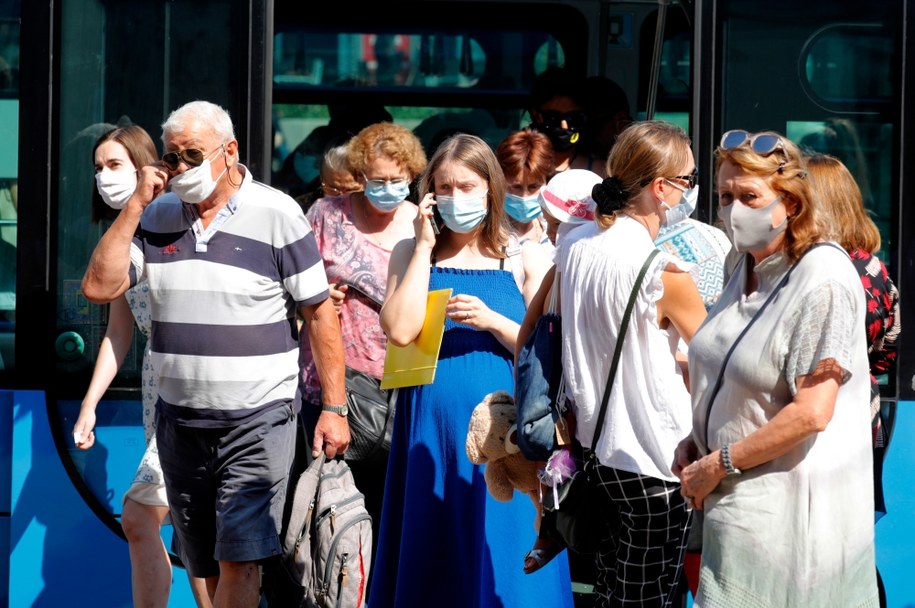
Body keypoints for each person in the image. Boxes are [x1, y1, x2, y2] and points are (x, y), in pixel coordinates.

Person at [80, 100, 348, 608]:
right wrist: (135, 206)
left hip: (258, 417)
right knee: (201, 565)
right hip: (179, 423)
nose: (179, 167)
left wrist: (334, 408)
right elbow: (99, 287)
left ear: (230, 152)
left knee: (240, 559)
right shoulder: (155, 217)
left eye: (192, 155)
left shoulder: (277, 212)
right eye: (172, 156)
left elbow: (319, 312)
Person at [673, 130, 879, 607]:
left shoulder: (822, 278)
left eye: (749, 196)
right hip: (729, 513)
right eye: (725, 196)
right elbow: (733, 373)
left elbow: (811, 412)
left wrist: (718, 462)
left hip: (785, 526)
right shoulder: (739, 262)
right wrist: (696, 438)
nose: (732, 210)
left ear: (790, 202)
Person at [370, 133, 566, 608]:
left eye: (467, 186)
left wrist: (494, 321)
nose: (456, 198)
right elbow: (399, 330)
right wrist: (421, 247)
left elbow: (547, 351)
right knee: (433, 553)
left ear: (490, 189)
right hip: (428, 431)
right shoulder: (410, 252)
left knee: (504, 552)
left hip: (503, 439)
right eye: (445, 187)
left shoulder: (523, 255)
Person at [556, 120, 706, 607]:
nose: (692, 189)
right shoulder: (663, 273)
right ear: (661, 189)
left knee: (607, 592)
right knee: (648, 599)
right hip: (655, 459)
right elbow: (716, 357)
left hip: (596, 453)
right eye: (688, 178)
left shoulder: (575, 247)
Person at [73, 124, 211, 608]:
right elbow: (120, 329)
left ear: (143, 168)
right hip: (159, 383)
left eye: (113, 165)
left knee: (141, 515)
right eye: (97, 168)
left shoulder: (169, 219)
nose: (103, 177)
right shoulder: (123, 234)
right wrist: (90, 404)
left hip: (192, 378)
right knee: (190, 531)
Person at [298, 120, 427, 579]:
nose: (388, 189)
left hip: (400, 386)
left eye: (398, 180)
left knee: (391, 513)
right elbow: (292, 290)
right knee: (334, 516)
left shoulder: (421, 222)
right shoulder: (324, 215)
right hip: (332, 390)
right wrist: (315, 299)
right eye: (378, 180)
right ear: (360, 174)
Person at [805, 152, 900, 606]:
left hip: (816, 420)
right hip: (864, 419)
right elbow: (886, 356)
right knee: (851, 540)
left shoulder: (815, 270)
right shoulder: (876, 269)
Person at [513, 167, 601, 577]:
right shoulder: (565, 266)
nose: (548, 233)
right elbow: (530, 329)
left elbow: (528, 331)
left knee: (564, 474)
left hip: (573, 402)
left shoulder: (575, 266)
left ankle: (551, 532)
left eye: (552, 224)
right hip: (570, 402)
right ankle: (552, 531)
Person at [527, 67, 606, 177]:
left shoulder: (599, 172)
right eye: (553, 118)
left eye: (573, 118)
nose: (564, 126)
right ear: (536, 115)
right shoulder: (517, 166)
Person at [495, 128, 555, 251]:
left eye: (534, 186)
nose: (524, 196)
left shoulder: (559, 229)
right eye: (516, 187)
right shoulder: (485, 231)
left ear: (546, 182)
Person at [295, 140, 363, 212]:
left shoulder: (373, 208)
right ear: (322, 180)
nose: (341, 198)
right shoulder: (301, 210)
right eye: (333, 189)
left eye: (349, 190)